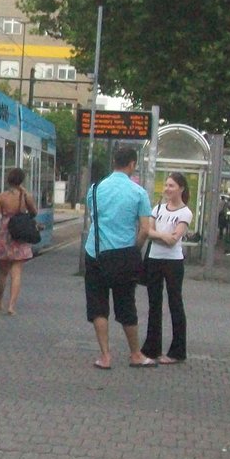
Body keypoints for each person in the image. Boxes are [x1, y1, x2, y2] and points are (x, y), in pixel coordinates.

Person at [84, 145, 155, 369]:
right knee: (126, 306)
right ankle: (135, 354)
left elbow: (94, 219)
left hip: (95, 254)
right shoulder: (139, 193)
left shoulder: (94, 189)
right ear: (132, 164)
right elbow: (145, 229)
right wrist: (136, 249)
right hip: (125, 256)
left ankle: (105, 356)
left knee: (98, 306)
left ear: (114, 162)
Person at [142, 171, 192, 364]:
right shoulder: (158, 208)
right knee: (154, 304)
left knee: (175, 304)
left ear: (181, 188)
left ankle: (177, 351)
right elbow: (148, 231)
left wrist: (158, 235)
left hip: (173, 262)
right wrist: (163, 236)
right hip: (154, 259)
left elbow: (174, 239)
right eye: (166, 185)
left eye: (172, 186)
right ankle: (152, 347)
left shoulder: (185, 212)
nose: (167, 189)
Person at [0, 167, 37, 315]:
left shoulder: (1, 197)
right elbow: (34, 212)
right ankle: (11, 306)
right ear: (21, 181)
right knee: (17, 271)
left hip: (5, 233)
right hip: (20, 233)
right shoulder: (26, 196)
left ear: (8, 180)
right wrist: (24, 194)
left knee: (2, 271)